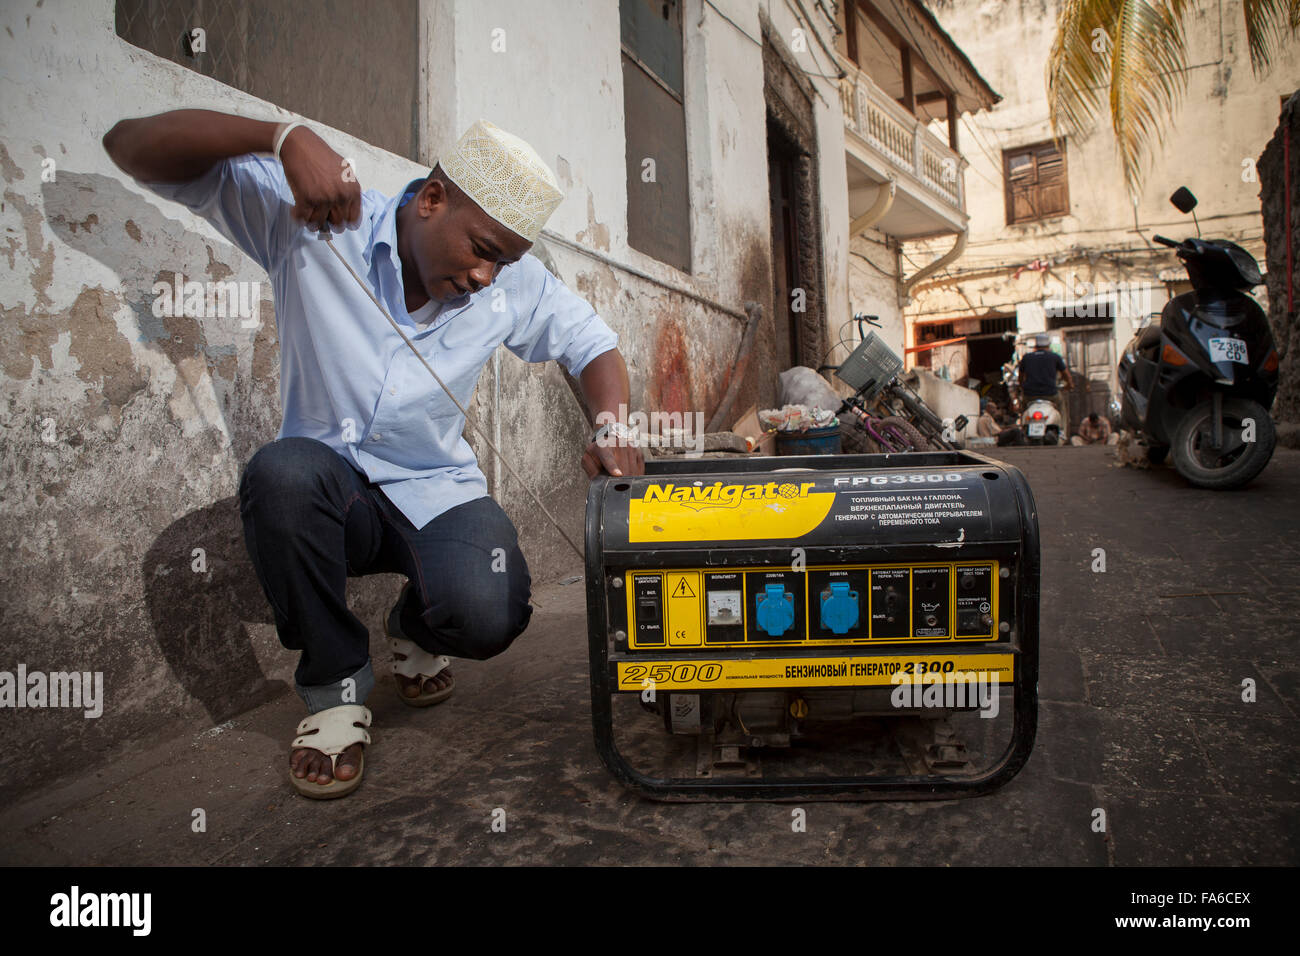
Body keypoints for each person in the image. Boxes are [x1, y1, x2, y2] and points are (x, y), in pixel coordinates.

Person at [103, 110, 644, 799]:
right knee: (283, 473)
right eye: (479, 248)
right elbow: (130, 147)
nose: (484, 275)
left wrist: (612, 427)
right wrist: (280, 137)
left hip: (434, 491)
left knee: (491, 610)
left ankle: (415, 629)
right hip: (329, 494)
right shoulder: (319, 222)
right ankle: (334, 689)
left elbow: (590, 344)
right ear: (432, 199)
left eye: (500, 262)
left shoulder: (510, 281)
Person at [1017, 333, 1074, 432]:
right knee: (1061, 405)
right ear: (1048, 345)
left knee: (1023, 407)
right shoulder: (1055, 357)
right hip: (1051, 394)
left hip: (1030, 395)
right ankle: (1062, 431)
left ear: (1036, 346)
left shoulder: (1026, 357)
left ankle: (1023, 428)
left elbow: (1020, 377)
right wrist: (1069, 385)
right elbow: (1066, 374)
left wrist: (1022, 387)